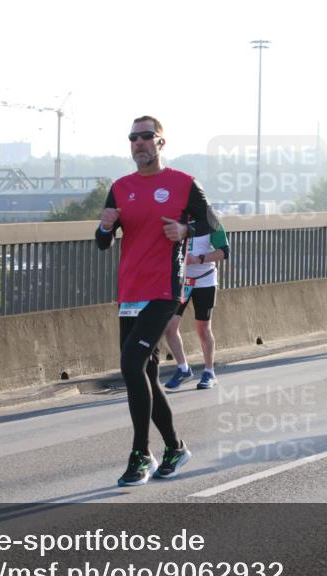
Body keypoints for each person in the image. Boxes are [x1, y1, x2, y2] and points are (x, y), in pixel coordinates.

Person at [96, 115, 219, 486]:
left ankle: (140, 454)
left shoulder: (183, 183)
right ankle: (175, 448)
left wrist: (185, 229)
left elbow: (212, 223)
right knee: (144, 373)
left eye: (146, 136)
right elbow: (103, 243)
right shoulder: (120, 188)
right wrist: (104, 226)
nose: (139, 143)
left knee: (131, 364)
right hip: (129, 294)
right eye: (133, 137)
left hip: (165, 290)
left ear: (160, 143)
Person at [163, 221, 230, 390]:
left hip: (205, 280)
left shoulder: (211, 222)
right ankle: (183, 368)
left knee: (203, 329)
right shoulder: (177, 219)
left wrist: (199, 259)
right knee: (169, 327)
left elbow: (224, 252)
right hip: (181, 282)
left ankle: (209, 372)